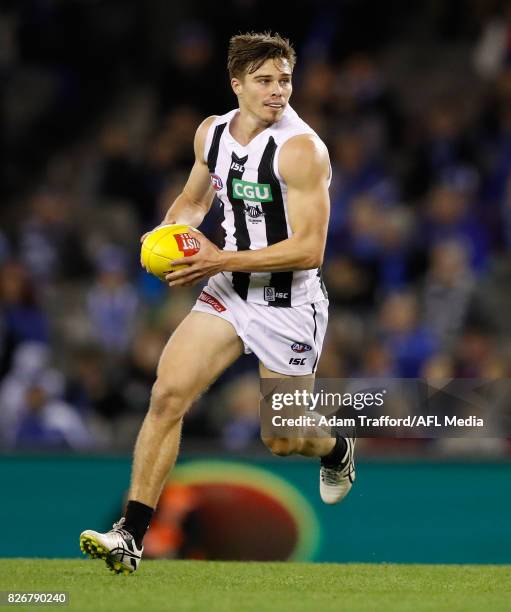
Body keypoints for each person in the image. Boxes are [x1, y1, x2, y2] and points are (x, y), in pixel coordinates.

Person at [80, 32, 355, 575]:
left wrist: (217, 260)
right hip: (227, 293)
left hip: (288, 302)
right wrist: (168, 234)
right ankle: (130, 535)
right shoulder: (212, 133)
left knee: (282, 438)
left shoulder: (303, 149)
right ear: (236, 84)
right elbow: (194, 198)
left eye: (285, 80)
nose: (279, 92)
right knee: (167, 395)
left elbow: (309, 249)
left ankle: (335, 448)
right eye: (265, 81)